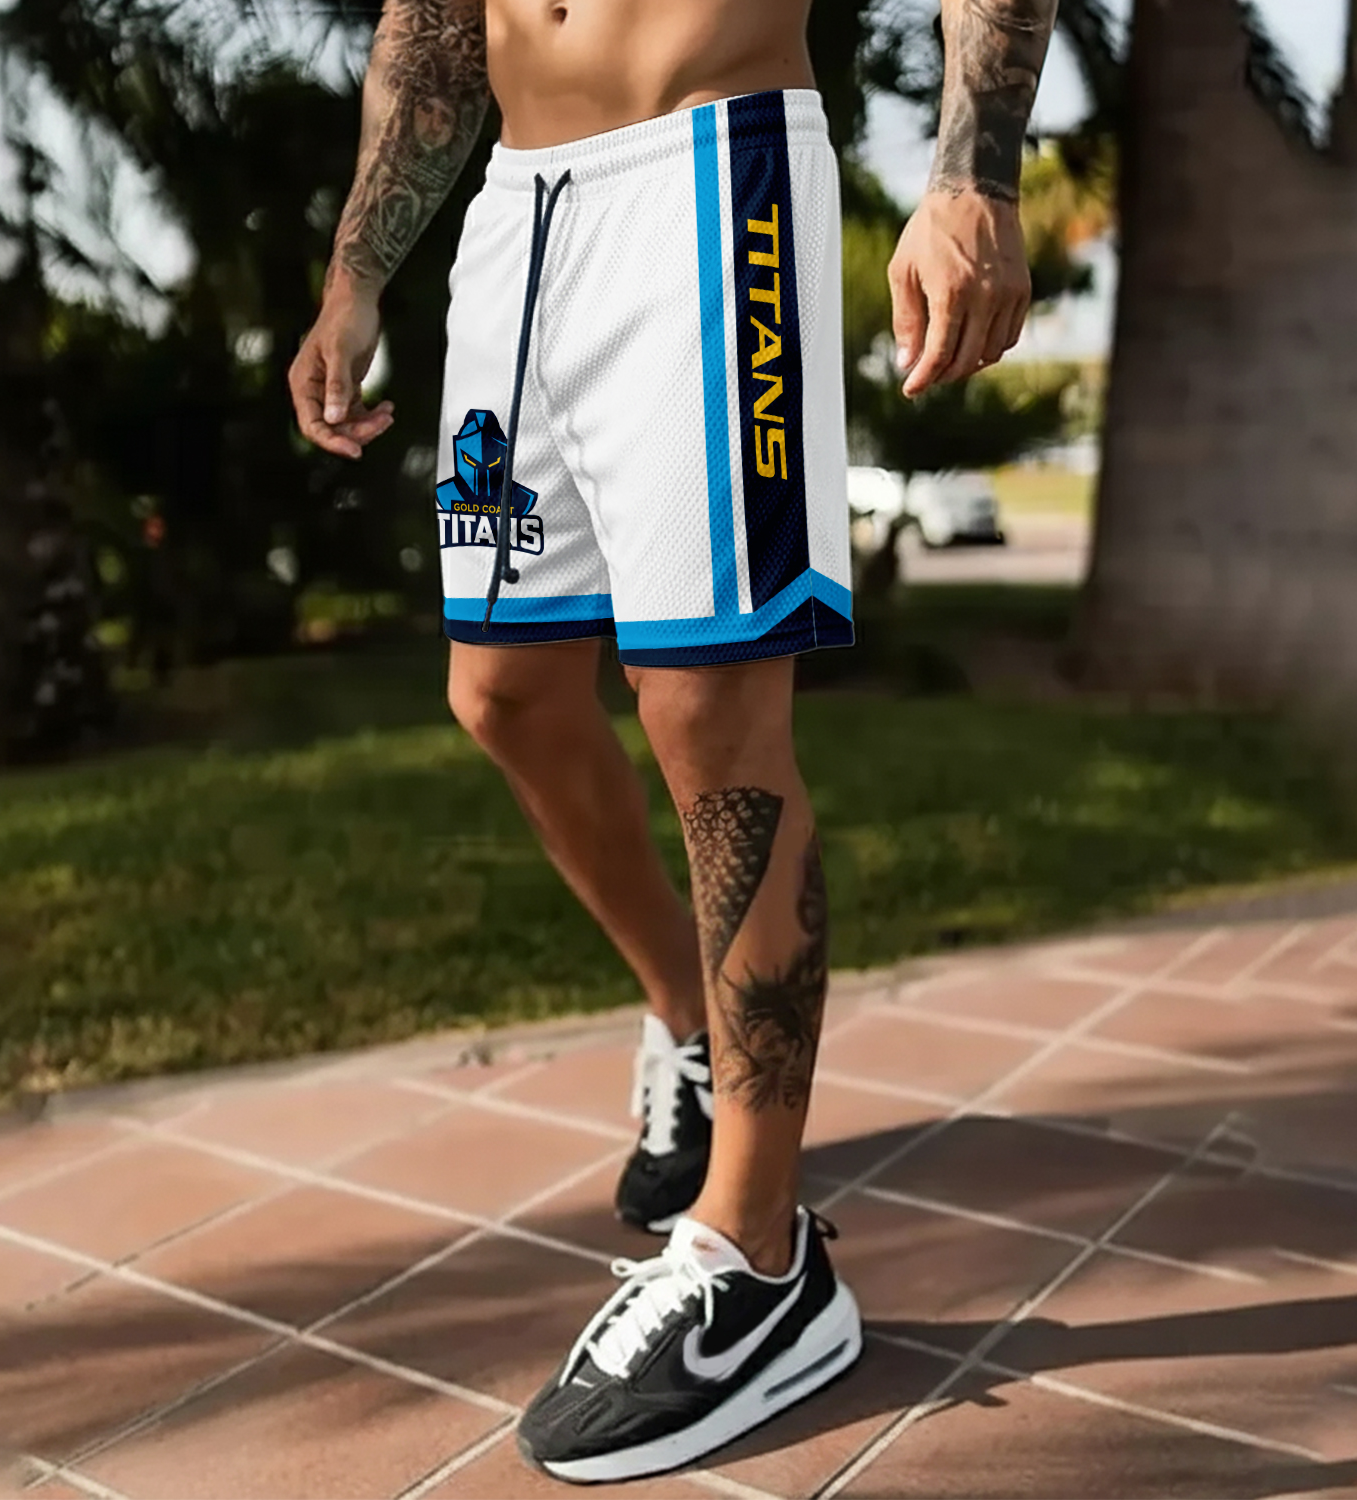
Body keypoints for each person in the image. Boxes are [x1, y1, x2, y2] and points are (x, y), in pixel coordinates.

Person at [289, 0, 1058, 1481]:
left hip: (712, 179)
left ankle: (760, 1258)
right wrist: (356, 270)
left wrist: (975, 175)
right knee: (502, 694)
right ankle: (693, 1028)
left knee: (708, 711)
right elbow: (434, 22)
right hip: (517, 212)